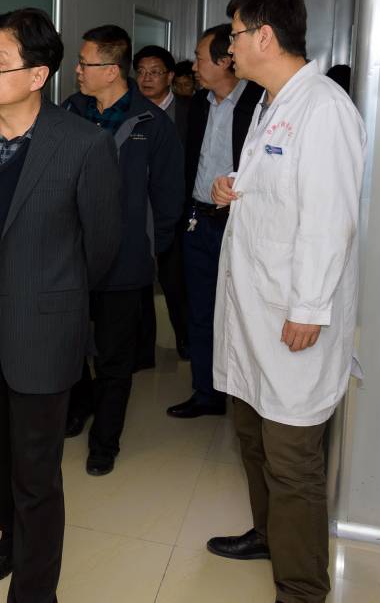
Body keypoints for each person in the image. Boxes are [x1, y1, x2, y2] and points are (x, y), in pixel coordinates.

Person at [0, 8, 120, 602]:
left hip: (44, 328)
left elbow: (102, 246)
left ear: (39, 75)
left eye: (0, 62)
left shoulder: (84, 145)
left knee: (36, 468)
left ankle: (36, 590)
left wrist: (53, 295)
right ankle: (10, 538)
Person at [206, 0, 366, 603]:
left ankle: (301, 588)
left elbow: (329, 219)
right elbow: (279, 186)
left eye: (235, 36)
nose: (229, 50)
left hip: (291, 320)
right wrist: (232, 185)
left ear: (265, 36)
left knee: (292, 458)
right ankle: (268, 535)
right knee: (253, 438)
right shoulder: (271, 102)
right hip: (253, 313)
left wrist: (308, 308)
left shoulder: (323, 109)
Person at [61, 25, 183, 476]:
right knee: (70, 346)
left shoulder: (152, 125)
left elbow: (168, 200)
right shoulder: (70, 112)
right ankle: (80, 406)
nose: (77, 70)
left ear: (111, 70)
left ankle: (105, 441)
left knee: (114, 358)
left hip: (124, 264)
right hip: (72, 258)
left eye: (85, 63)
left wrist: (147, 251)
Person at [166, 24, 264, 419]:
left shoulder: (259, 103)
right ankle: (206, 392)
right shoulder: (199, 104)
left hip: (239, 223)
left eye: (200, 57)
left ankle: (245, 395)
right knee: (200, 310)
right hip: (199, 221)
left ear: (225, 60)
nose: (193, 65)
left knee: (242, 312)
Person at [132, 44, 191, 366]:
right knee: (139, 283)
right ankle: (143, 350)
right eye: (141, 72)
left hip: (176, 210)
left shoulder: (189, 111)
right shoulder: (129, 110)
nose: (146, 78)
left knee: (175, 281)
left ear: (169, 76)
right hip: (138, 210)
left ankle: (185, 341)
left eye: (154, 72)